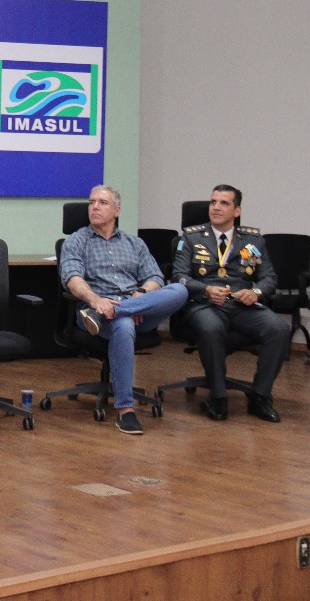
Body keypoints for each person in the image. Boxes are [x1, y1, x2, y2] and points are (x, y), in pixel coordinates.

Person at [58, 185, 188, 435]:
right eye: (91, 202)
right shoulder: (76, 241)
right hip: (94, 310)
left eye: (102, 203)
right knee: (124, 324)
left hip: (134, 307)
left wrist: (139, 296)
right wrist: (96, 302)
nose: (95, 207)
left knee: (180, 290)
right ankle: (126, 410)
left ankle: (121, 310)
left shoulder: (134, 243)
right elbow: (72, 279)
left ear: (116, 210)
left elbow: (155, 277)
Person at [172, 184, 290, 423]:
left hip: (241, 304)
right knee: (211, 328)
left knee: (279, 329)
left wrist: (255, 292)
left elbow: (268, 278)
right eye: (213, 202)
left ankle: (260, 396)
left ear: (237, 211)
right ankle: (217, 397)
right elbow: (179, 276)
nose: (216, 207)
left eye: (224, 203)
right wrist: (206, 290)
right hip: (205, 304)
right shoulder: (192, 238)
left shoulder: (251, 242)